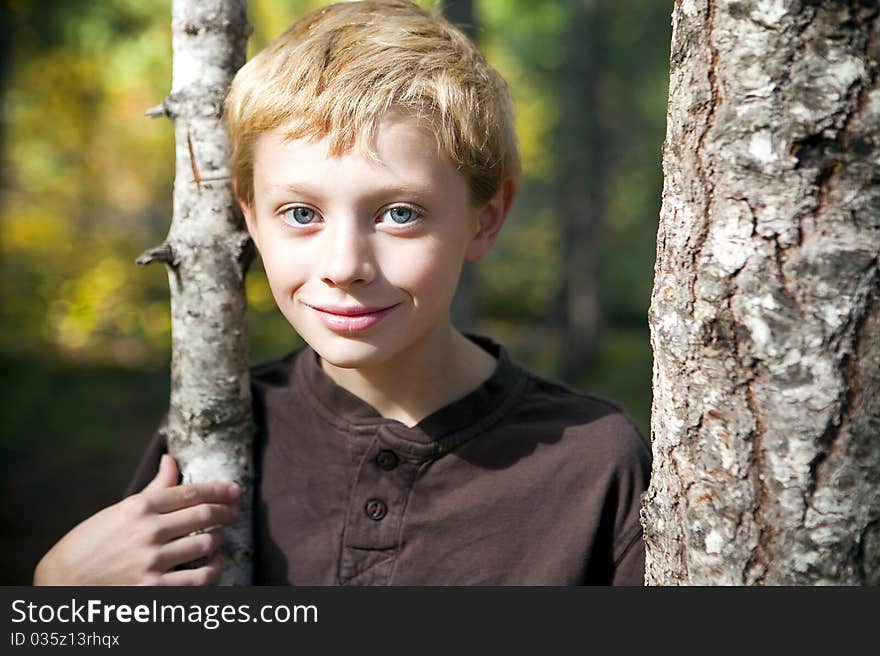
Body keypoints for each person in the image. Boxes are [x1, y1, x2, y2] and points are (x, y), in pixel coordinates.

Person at [34, 0, 651, 586]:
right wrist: (57, 592)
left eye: (400, 214)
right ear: (251, 217)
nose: (344, 266)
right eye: (301, 213)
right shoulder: (215, 433)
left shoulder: (595, 464)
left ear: (484, 221)